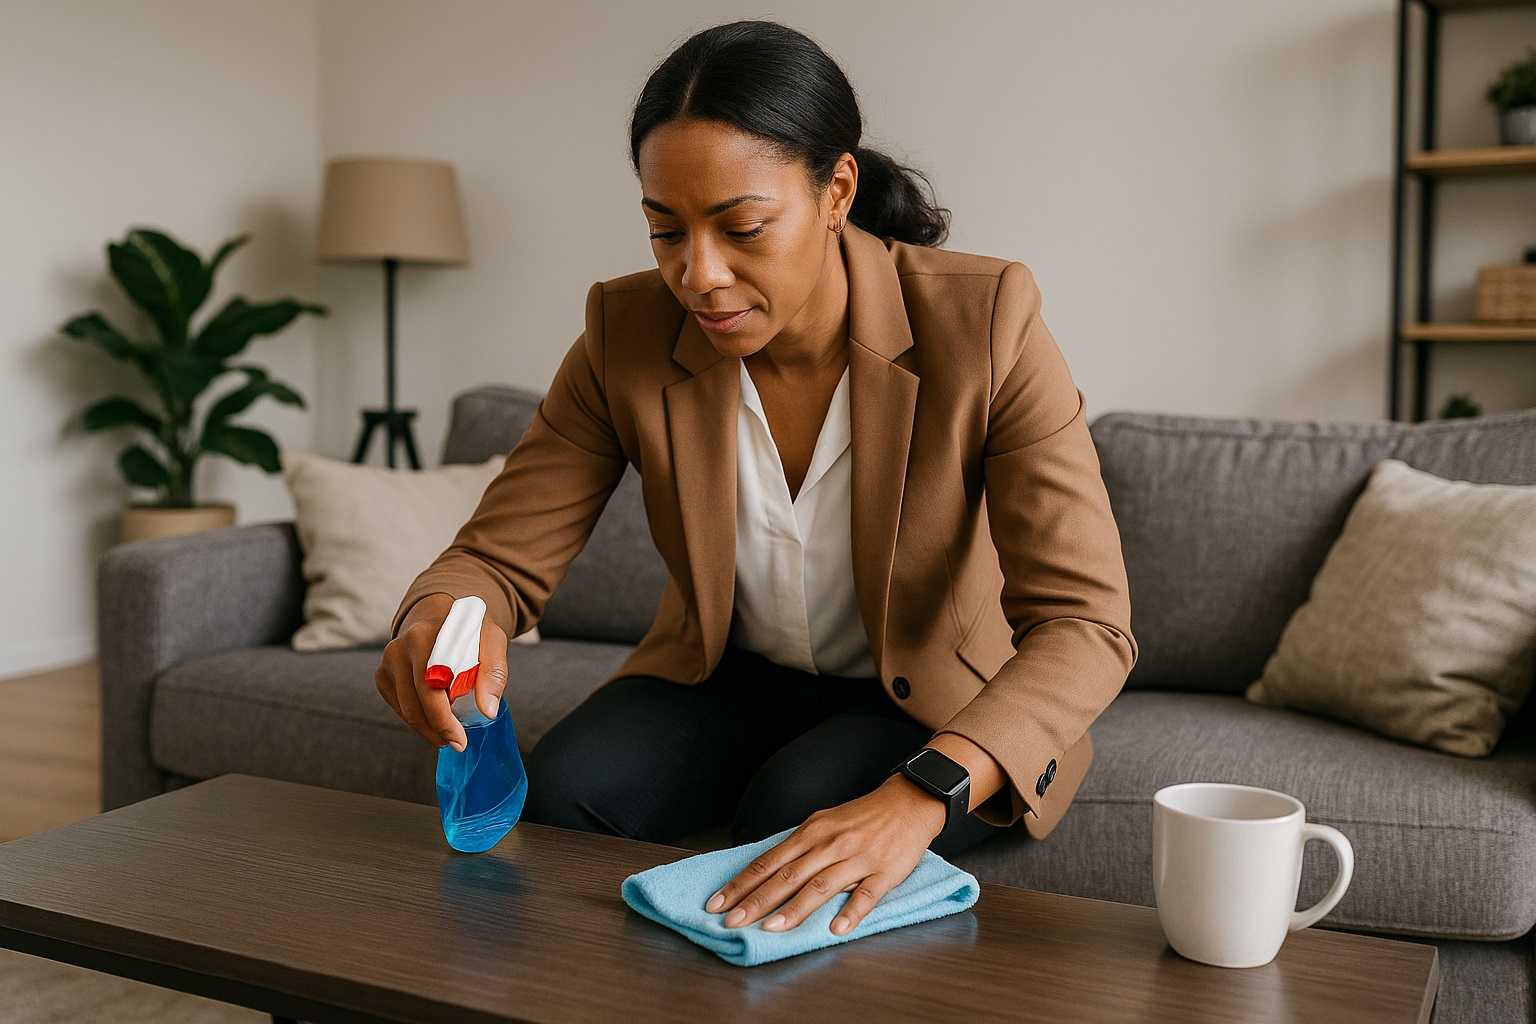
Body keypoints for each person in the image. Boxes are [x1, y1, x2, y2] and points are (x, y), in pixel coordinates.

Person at [375, 19, 1135, 939]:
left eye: (742, 228)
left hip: (931, 699)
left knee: (793, 824)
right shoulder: (626, 333)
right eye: (666, 231)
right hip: (723, 673)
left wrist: (924, 794)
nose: (698, 275)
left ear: (835, 191)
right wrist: (438, 617)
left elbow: (1086, 624)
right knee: (566, 794)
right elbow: (496, 557)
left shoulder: (986, 322)